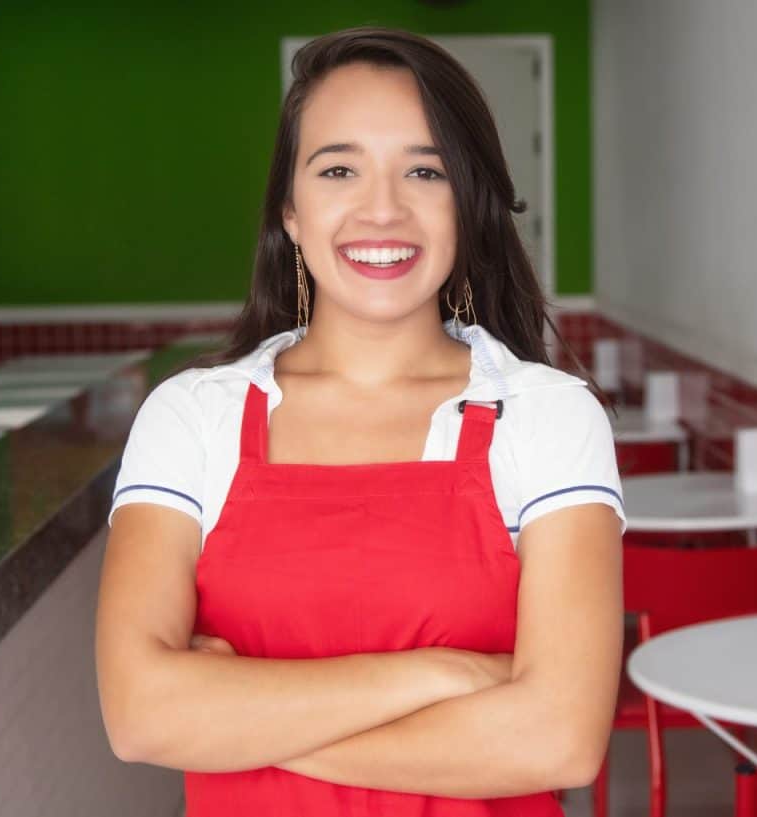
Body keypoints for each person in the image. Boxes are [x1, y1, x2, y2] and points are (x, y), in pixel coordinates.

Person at [95, 26, 625, 816]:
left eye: (425, 170)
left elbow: (559, 741)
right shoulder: (191, 416)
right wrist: (440, 673)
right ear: (292, 212)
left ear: (467, 206)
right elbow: (139, 715)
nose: (383, 208)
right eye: (339, 168)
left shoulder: (547, 417)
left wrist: (237, 719)